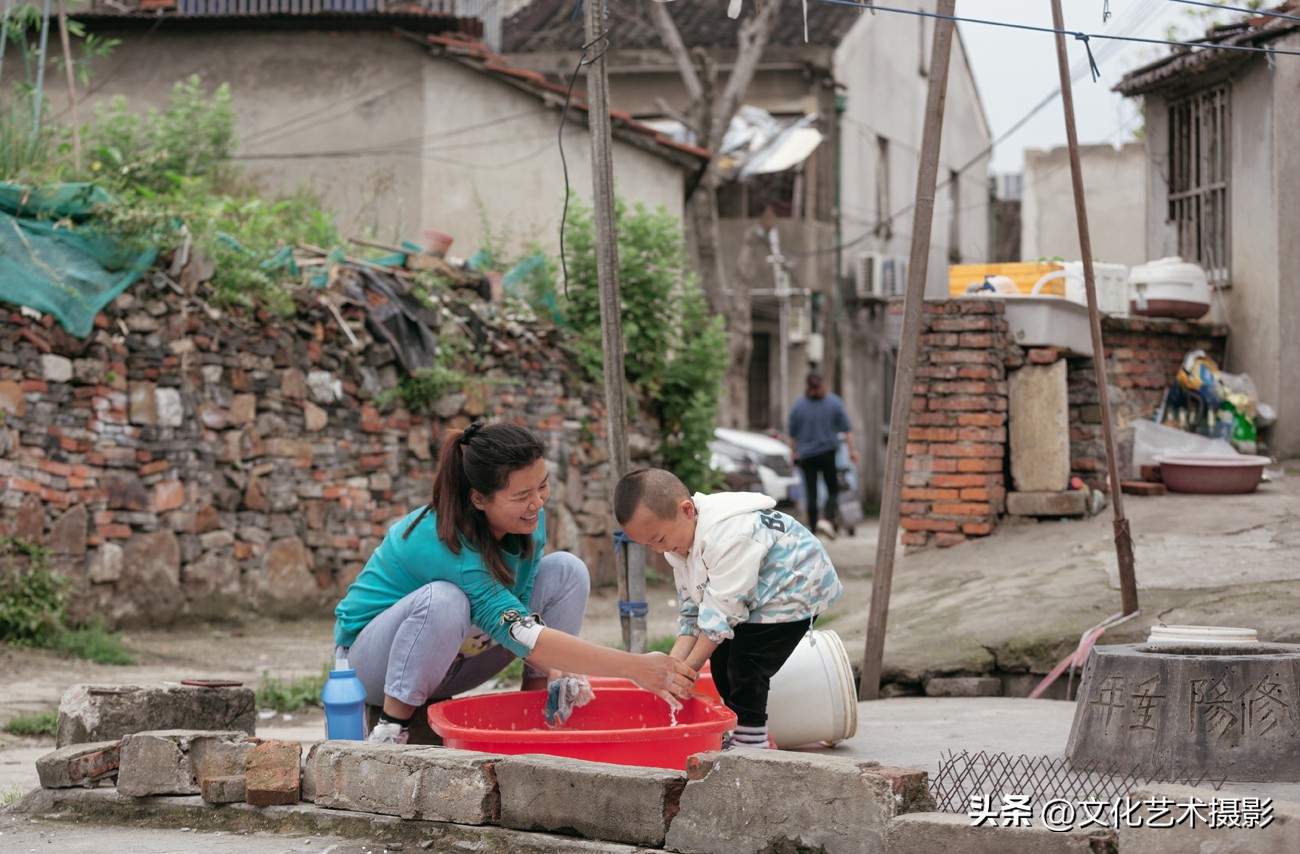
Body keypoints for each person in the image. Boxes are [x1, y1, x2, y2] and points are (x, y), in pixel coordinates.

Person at [333, 421, 696, 744]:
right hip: (371, 669)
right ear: (478, 498)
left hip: (453, 660)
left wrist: (556, 666)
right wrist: (634, 666)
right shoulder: (444, 543)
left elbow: (520, 618)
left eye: (542, 486)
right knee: (445, 601)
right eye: (521, 496)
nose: (537, 503)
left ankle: (539, 708)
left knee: (567, 570)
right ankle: (392, 730)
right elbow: (525, 635)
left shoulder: (528, 521)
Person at [614, 468, 842, 750]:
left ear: (686, 511)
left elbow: (722, 613)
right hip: (757, 591)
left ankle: (752, 742)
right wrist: (673, 668)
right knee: (721, 660)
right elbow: (692, 610)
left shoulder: (727, 536)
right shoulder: (678, 545)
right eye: (648, 545)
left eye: (658, 539)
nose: (658, 550)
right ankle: (741, 729)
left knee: (746, 662)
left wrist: (688, 671)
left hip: (796, 587)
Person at [787, 371, 860, 539]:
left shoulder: (798, 406)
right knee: (832, 490)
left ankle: (813, 529)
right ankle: (826, 519)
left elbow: (792, 435)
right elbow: (847, 429)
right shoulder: (833, 403)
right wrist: (852, 450)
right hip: (828, 454)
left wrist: (793, 453)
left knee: (811, 492)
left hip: (806, 456)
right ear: (822, 383)